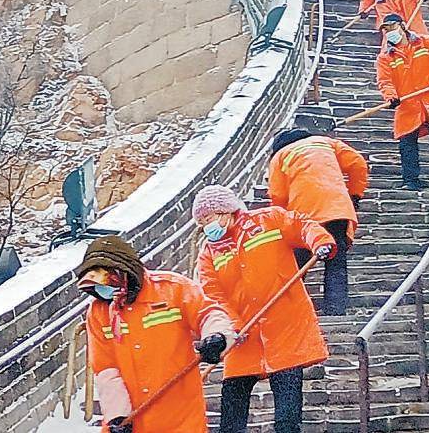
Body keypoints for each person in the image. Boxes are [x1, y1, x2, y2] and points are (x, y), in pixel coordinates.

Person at [193, 185, 336, 433]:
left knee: (287, 418)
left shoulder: (269, 220)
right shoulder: (209, 253)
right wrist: (232, 326)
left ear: (225, 211)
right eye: (202, 222)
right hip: (242, 339)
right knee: (231, 416)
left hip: (286, 330)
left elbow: (302, 226)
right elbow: (212, 294)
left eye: (209, 218)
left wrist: (320, 241)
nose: (207, 227)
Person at [77, 235, 236, 433]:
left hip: (181, 416)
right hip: (135, 419)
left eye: (110, 282)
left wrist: (217, 337)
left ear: (126, 272)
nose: (106, 291)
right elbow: (106, 368)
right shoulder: (99, 313)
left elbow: (209, 313)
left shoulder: (173, 289)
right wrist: (118, 415)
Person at [267, 129, 369, 315]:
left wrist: (282, 224)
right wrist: (355, 194)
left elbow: (278, 195)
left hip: (303, 216)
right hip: (336, 209)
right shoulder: (326, 142)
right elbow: (358, 164)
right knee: (336, 261)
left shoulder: (280, 156)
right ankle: (336, 309)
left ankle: (287, 309)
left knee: (296, 263)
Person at [376, 13, 429, 191]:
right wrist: (391, 96)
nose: (389, 32)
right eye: (386, 29)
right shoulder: (385, 57)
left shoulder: (425, 43)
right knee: (407, 143)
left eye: (392, 27)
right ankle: (411, 180)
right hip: (407, 105)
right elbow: (385, 81)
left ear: (402, 26)